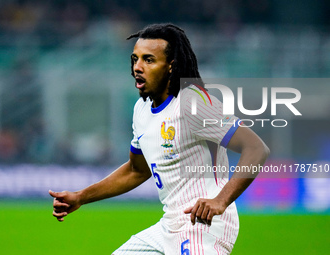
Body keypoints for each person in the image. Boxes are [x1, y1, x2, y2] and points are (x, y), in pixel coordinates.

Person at [49, 23, 270, 254]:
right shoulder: (141, 109)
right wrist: (81, 196)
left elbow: (255, 148)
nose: (138, 67)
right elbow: (136, 170)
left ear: (171, 67)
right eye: (135, 59)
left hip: (203, 225)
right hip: (168, 225)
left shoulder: (193, 103)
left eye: (149, 60)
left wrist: (220, 201)